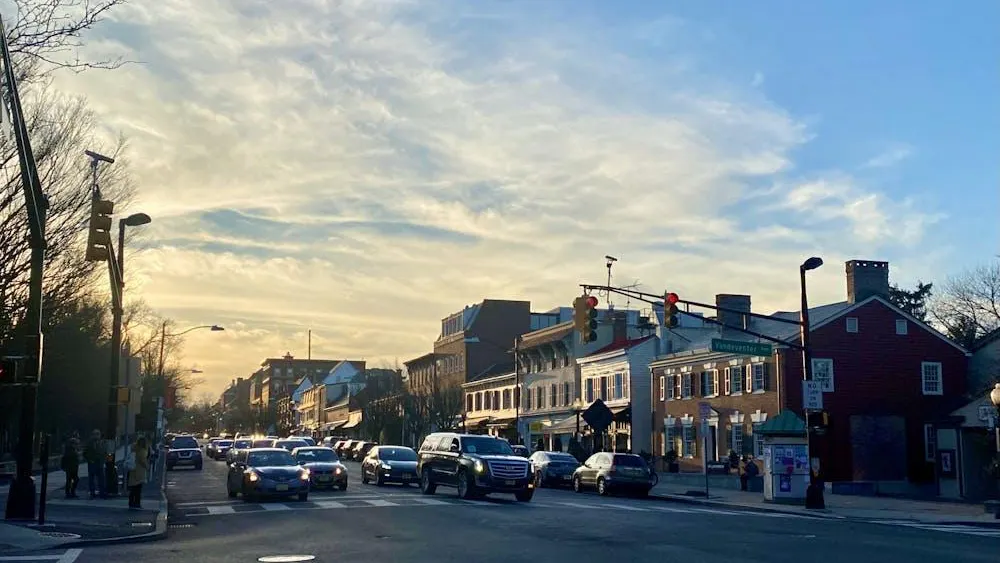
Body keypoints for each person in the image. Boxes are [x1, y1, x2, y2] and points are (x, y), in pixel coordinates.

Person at [127, 436, 150, 509]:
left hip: (133, 470)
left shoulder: (134, 449)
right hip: (139, 471)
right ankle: (137, 503)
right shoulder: (142, 451)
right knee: (138, 489)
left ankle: (131, 502)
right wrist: (147, 467)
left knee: (133, 488)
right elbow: (143, 461)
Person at [83, 429, 106, 499]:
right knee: (91, 479)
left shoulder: (102, 442)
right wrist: (90, 460)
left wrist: (103, 460)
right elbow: (85, 453)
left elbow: (104, 452)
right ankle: (92, 493)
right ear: (92, 435)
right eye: (95, 434)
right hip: (92, 463)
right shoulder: (89, 443)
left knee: (101, 479)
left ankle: (102, 493)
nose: (96, 436)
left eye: (98, 434)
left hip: (99, 463)